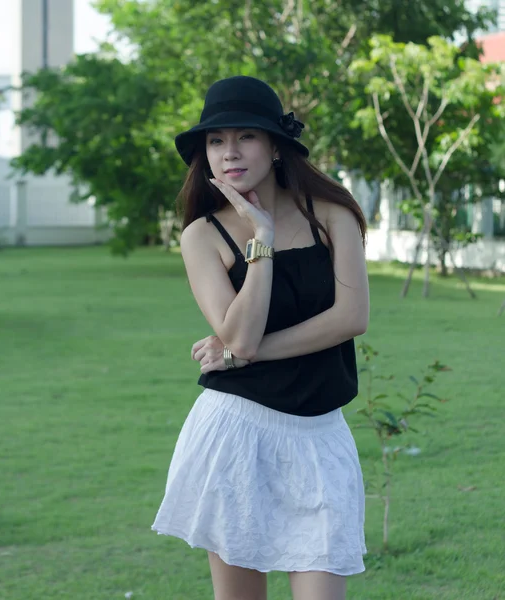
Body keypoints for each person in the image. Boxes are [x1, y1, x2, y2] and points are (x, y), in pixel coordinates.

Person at [151, 75, 369, 600]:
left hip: (321, 438)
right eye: (216, 141)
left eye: (245, 137)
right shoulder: (203, 235)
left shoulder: (331, 216)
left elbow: (351, 318)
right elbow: (241, 336)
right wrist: (262, 239)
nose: (229, 153)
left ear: (275, 146)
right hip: (237, 438)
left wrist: (235, 354)